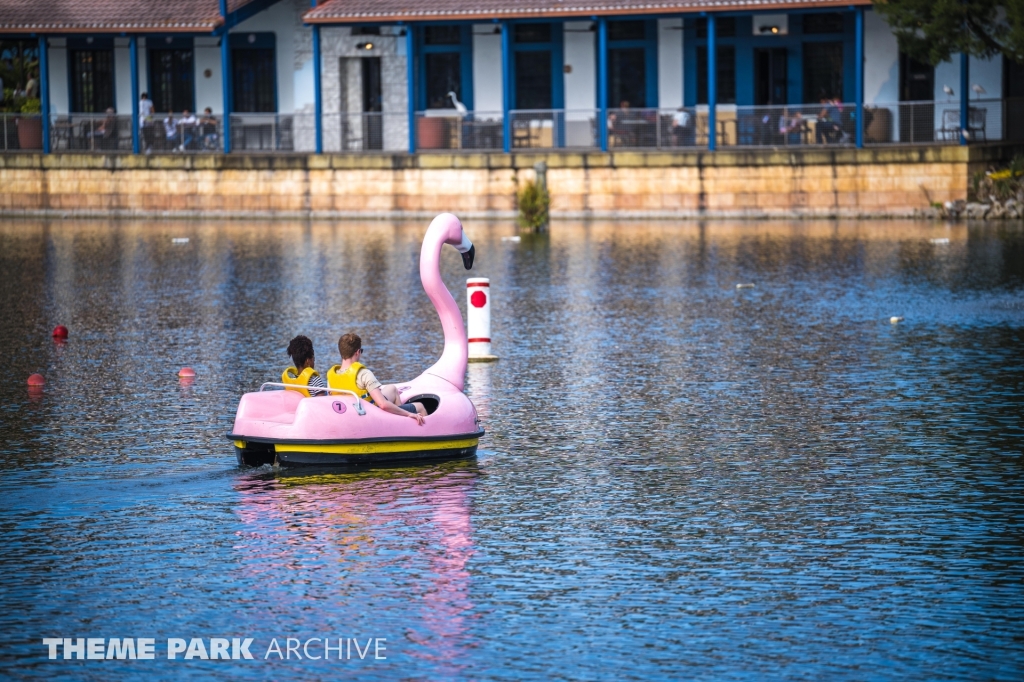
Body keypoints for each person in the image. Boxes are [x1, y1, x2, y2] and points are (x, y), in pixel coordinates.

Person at [327, 333, 426, 424]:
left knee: (392, 388)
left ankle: (400, 423)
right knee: (420, 406)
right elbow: (383, 405)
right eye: (361, 351)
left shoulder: (331, 376)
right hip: (371, 413)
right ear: (357, 352)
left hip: (350, 413)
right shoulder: (363, 374)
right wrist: (408, 414)